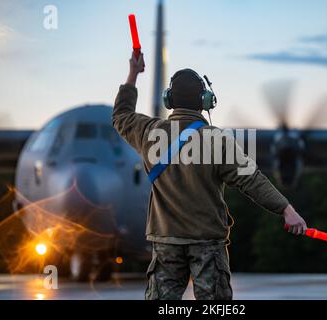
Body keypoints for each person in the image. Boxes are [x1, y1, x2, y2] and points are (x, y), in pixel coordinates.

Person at [112, 52, 307, 300]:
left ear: (169, 100)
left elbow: (120, 115)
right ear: (205, 101)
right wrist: (286, 210)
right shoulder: (217, 141)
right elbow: (252, 179)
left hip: (166, 242)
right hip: (207, 244)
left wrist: (133, 73)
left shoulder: (148, 132)